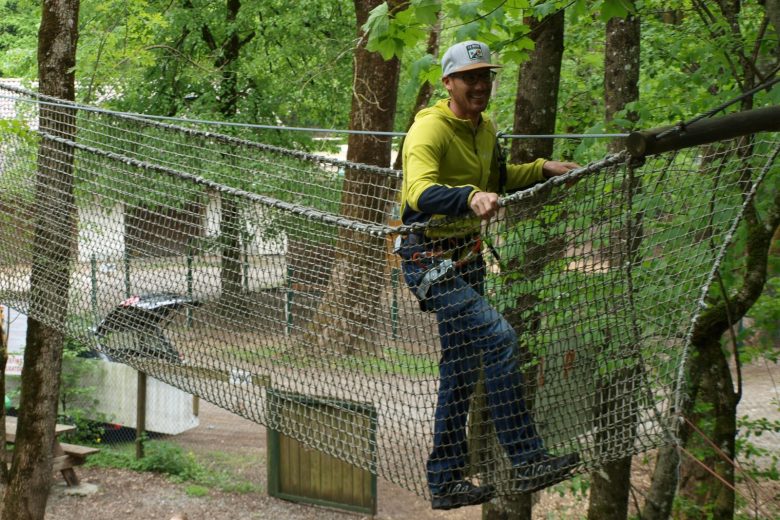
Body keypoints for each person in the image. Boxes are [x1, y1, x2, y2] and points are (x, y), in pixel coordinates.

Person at [397, 40, 580, 510]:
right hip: (427, 259)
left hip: (466, 256)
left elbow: (497, 181)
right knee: (499, 339)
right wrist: (467, 197)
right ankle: (527, 457)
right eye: (470, 78)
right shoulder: (429, 129)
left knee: (460, 370)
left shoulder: (486, 127)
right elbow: (418, 191)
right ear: (449, 83)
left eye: (485, 77)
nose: (480, 85)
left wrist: (543, 169)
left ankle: (444, 482)